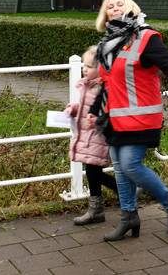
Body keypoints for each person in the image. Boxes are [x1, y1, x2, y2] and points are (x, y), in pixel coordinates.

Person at [88, 0, 168, 241]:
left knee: (129, 165)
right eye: (110, 6)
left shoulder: (146, 37)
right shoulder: (107, 44)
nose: (115, 9)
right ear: (105, 13)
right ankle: (129, 218)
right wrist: (93, 112)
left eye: (119, 4)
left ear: (131, 7)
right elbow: (106, 84)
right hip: (115, 119)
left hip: (140, 117)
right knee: (119, 169)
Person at [67, 46, 117, 226]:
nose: (84, 69)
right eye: (84, 65)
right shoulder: (87, 86)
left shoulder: (102, 88)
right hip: (87, 134)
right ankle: (98, 206)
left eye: (89, 66)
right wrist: (73, 109)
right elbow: (84, 106)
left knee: (93, 169)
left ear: (100, 68)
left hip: (97, 135)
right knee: (92, 170)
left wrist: (97, 119)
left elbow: (105, 110)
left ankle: (102, 204)